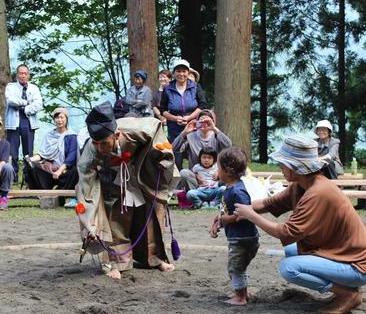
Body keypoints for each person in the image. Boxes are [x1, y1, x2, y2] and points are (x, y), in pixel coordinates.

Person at [233, 136, 366, 314]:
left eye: (283, 163)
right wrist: (233, 211)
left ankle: (347, 294)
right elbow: (267, 204)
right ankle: (343, 289)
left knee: (289, 268)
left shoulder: (318, 193)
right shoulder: (301, 185)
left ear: (295, 166)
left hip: (358, 266)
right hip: (343, 255)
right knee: (291, 252)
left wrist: (250, 216)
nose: (280, 167)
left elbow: (287, 233)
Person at [76, 102, 179, 280]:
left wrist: (163, 156)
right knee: (114, 218)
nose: (100, 148)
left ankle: (154, 258)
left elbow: (156, 129)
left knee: (149, 215)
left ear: (116, 135)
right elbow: (86, 182)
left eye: (104, 143)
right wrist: (89, 220)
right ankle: (116, 263)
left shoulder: (135, 129)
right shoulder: (91, 150)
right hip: (113, 180)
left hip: (142, 172)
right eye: (96, 143)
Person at [210, 148, 259, 306]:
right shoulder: (230, 188)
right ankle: (243, 292)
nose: (217, 171)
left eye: (218, 168)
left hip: (243, 239)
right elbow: (226, 211)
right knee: (239, 267)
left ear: (228, 171)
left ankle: (241, 297)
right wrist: (218, 220)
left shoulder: (238, 191)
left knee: (235, 268)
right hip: (238, 237)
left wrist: (226, 219)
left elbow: (243, 214)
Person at [159, 59, 208, 169]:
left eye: (184, 71)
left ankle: (195, 179)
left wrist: (190, 117)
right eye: (178, 71)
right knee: (177, 155)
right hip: (174, 127)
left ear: (188, 73)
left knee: (195, 152)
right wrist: (175, 118)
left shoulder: (195, 87)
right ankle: (176, 181)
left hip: (194, 124)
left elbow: (202, 105)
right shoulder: (167, 89)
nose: (181, 74)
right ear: (174, 73)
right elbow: (163, 110)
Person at [23, 107, 78, 206]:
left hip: (64, 171)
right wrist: (29, 160)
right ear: (54, 120)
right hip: (49, 170)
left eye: (62, 117)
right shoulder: (49, 135)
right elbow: (42, 154)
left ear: (66, 119)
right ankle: (42, 193)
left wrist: (60, 170)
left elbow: (71, 157)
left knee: (75, 170)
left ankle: (61, 193)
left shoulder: (72, 136)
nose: (59, 120)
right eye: (57, 118)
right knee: (31, 167)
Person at [173, 109, 232, 191]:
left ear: (213, 122)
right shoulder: (190, 136)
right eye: (201, 121)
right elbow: (174, 148)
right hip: (197, 178)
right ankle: (195, 196)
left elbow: (228, 146)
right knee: (184, 173)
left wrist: (214, 129)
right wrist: (184, 133)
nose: (204, 124)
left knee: (230, 171)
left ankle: (218, 195)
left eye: (207, 121)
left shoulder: (217, 135)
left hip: (215, 176)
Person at [5, 64, 44, 181]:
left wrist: (25, 108)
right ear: (17, 75)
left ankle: (28, 177)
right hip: (13, 124)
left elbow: (38, 104)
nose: (23, 75)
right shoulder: (10, 87)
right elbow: (10, 100)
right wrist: (27, 102)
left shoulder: (34, 88)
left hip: (28, 122)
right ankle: (13, 177)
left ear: (28, 75)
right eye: (21, 73)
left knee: (28, 153)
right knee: (13, 152)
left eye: (25, 73)